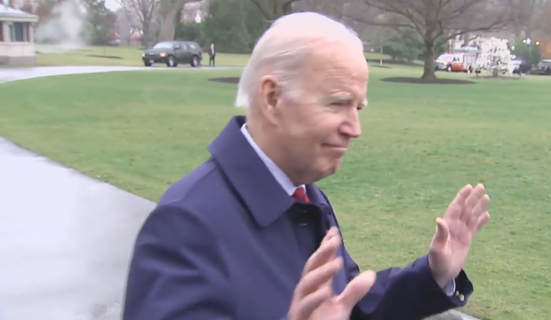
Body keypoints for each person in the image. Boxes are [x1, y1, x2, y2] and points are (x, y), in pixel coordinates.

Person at [123, 12, 491, 320]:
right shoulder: (186, 226)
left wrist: (434, 274)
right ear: (272, 97)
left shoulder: (304, 196)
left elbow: (348, 305)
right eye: (337, 104)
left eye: (358, 108)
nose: (355, 129)